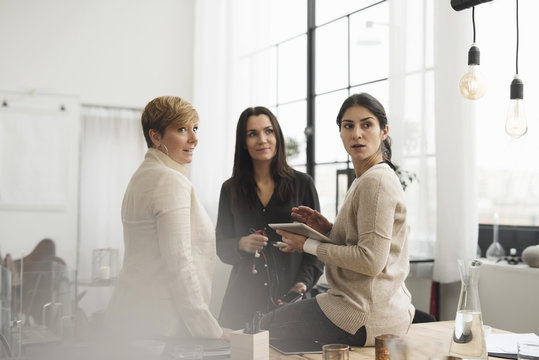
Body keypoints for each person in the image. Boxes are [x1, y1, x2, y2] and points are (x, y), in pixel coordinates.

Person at [261, 93, 415, 347]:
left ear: (384, 131)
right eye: (348, 126)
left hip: (363, 315)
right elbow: (364, 241)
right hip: (375, 309)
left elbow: (370, 260)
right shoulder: (368, 178)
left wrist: (306, 245)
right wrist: (328, 230)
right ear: (341, 132)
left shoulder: (375, 181)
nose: (356, 134)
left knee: (263, 328)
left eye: (367, 125)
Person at [105, 96, 231, 342]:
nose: (194, 138)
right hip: (158, 325)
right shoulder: (169, 181)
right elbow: (180, 264)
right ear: (156, 136)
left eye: (195, 128)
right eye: (181, 129)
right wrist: (209, 329)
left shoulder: (142, 176)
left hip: (131, 317)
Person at [216, 106, 324, 330]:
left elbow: (318, 246)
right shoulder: (230, 189)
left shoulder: (302, 185)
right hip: (241, 304)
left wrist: (302, 284)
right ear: (243, 142)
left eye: (268, 131)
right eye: (252, 134)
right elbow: (220, 244)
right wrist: (240, 244)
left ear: (277, 136)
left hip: (291, 302)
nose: (262, 140)